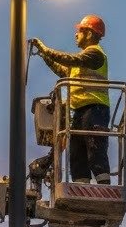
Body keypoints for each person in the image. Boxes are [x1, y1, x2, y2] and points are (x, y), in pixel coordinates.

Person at [32, 14, 111, 185]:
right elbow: (62, 69)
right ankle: (81, 185)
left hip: (95, 109)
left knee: (95, 149)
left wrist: (45, 49)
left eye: (80, 31)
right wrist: (43, 55)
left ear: (90, 34)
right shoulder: (81, 62)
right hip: (81, 110)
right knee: (77, 154)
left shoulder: (95, 54)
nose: (76, 34)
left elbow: (69, 59)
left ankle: (103, 187)